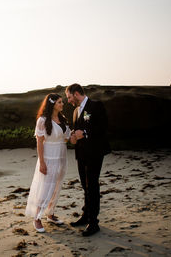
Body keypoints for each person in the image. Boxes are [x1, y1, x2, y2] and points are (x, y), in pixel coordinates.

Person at [66, 83, 111, 236]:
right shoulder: (75, 111)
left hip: (95, 152)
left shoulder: (96, 105)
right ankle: (86, 216)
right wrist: (73, 137)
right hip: (81, 155)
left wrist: (84, 133)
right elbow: (77, 129)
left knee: (92, 186)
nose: (69, 101)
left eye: (69, 97)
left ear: (77, 93)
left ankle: (94, 222)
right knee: (85, 187)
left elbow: (103, 127)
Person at [25, 93, 71, 233]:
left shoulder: (62, 119)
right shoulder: (43, 120)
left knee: (57, 185)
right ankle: (37, 218)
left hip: (61, 155)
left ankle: (50, 214)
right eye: (59, 102)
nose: (62, 104)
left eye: (62, 102)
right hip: (48, 156)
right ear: (52, 104)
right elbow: (39, 142)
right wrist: (42, 163)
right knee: (45, 187)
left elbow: (67, 138)